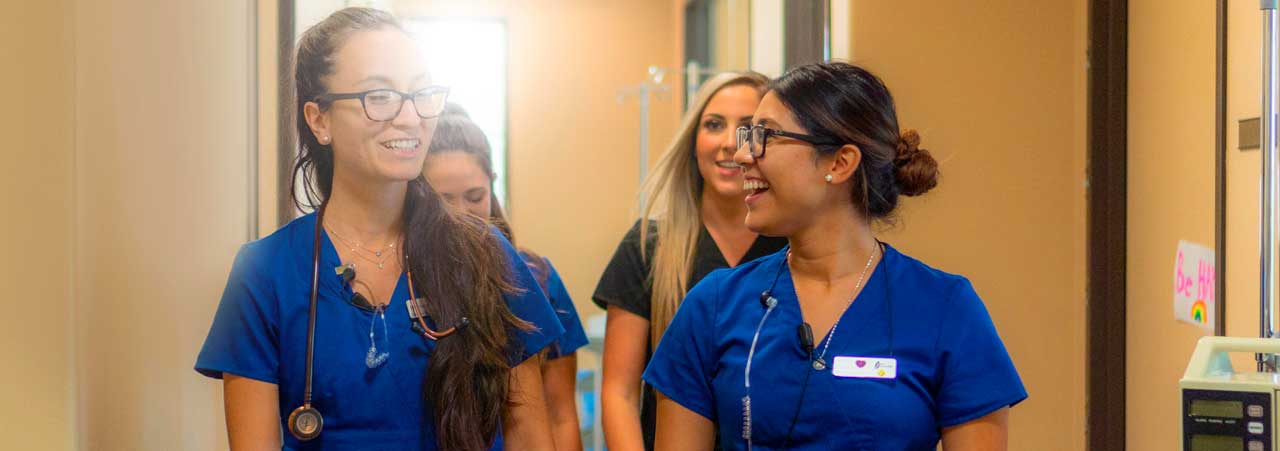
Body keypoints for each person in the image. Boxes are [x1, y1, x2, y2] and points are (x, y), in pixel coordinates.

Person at [194, 8, 562, 450]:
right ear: (320, 120)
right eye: (380, 96)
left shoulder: (484, 254)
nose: (410, 117)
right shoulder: (266, 272)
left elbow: (528, 433)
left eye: (422, 92)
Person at [642, 62, 1027, 450]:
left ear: (839, 163)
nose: (743, 155)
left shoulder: (945, 309)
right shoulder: (715, 305)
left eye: (764, 137)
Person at [593, 71, 787, 451]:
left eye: (748, 128)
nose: (730, 143)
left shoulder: (792, 247)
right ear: (693, 141)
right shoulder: (649, 246)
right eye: (714, 125)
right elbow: (619, 394)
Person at [423, 104, 590, 451]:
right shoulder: (401, 284)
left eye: (474, 197)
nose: (462, 216)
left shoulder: (535, 279)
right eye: (444, 201)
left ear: (492, 187)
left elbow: (560, 414)